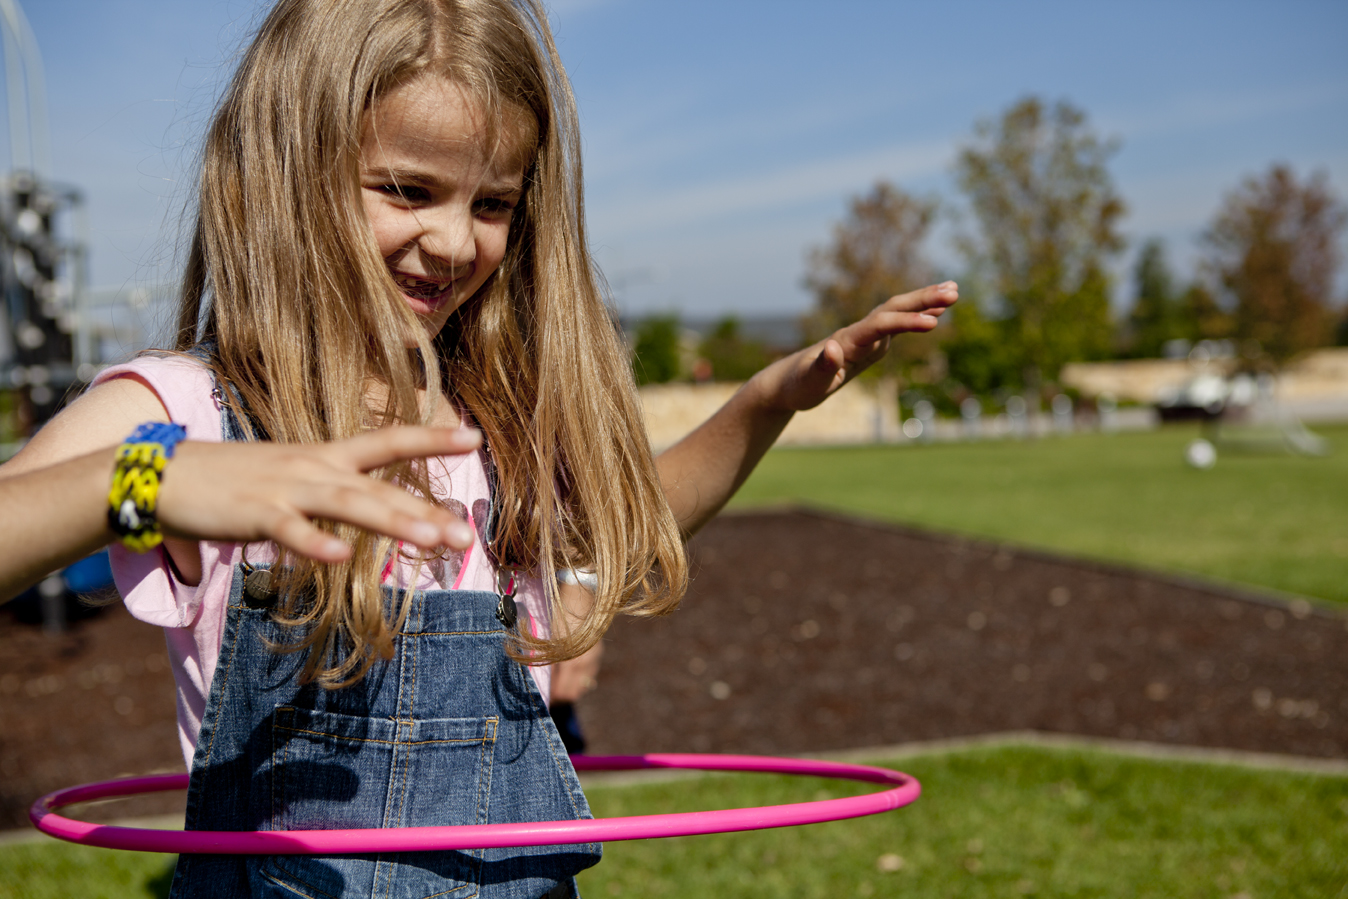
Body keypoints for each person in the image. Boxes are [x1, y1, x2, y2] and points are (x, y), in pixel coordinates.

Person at [0, 0, 956, 895]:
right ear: (288, 175)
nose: (454, 241)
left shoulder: (485, 419)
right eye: (408, 189)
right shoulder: (196, 404)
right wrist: (152, 481)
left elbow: (626, 532)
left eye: (492, 204)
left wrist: (765, 403)